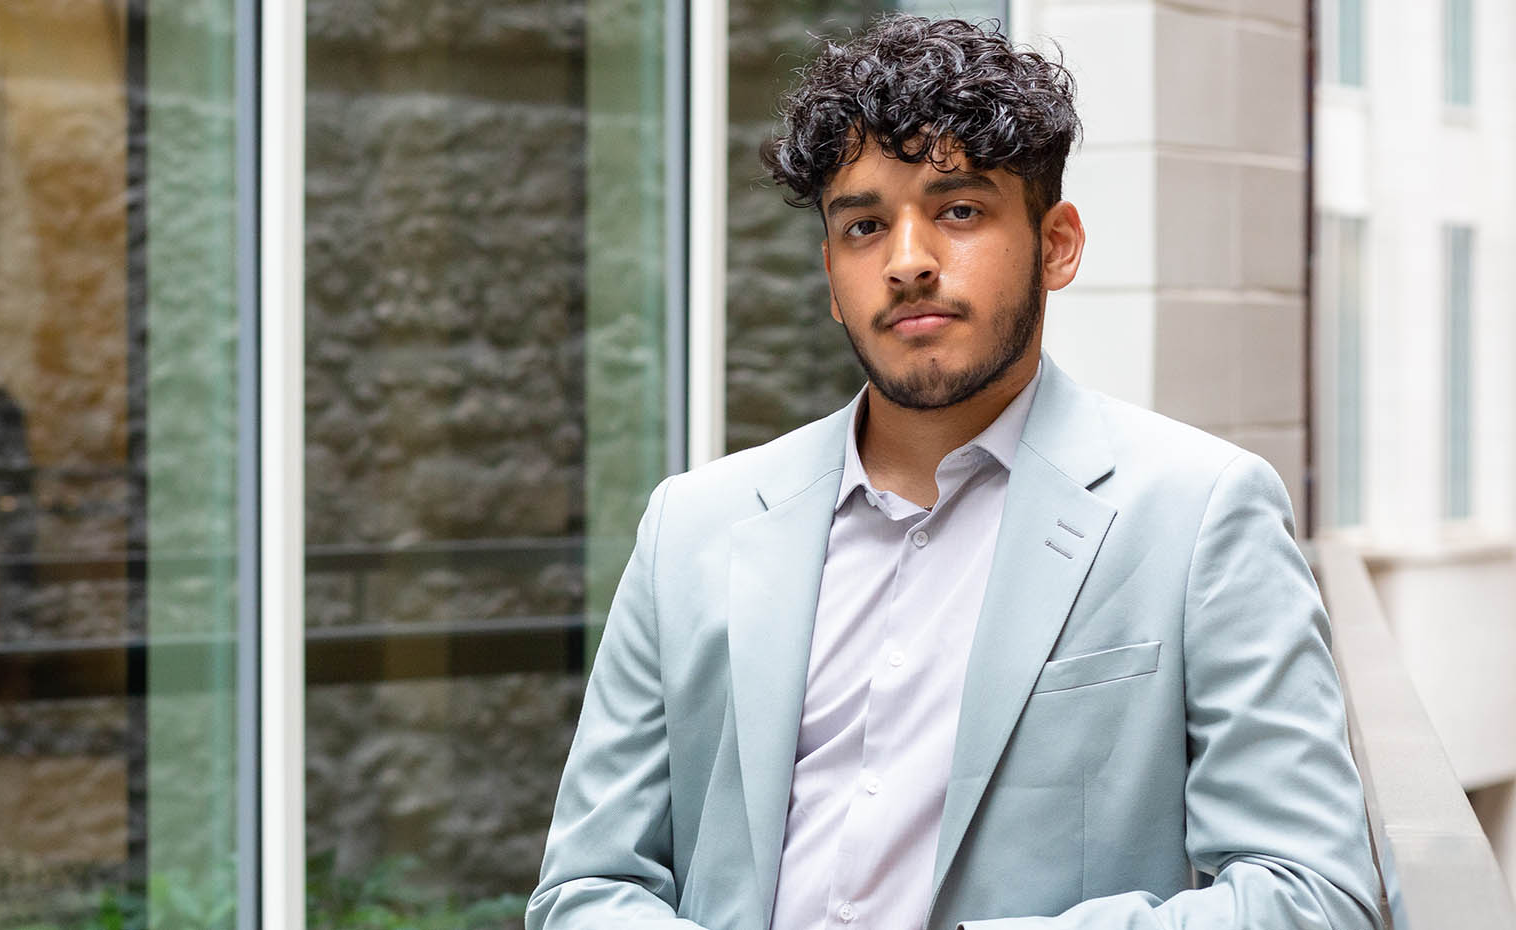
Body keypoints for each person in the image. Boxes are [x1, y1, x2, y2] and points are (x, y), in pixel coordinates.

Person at [527, 14, 1381, 930]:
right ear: (829, 275)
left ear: (1056, 244)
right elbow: (586, 887)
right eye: (863, 226)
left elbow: (1315, 896)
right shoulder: (692, 525)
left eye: (959, 210)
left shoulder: (1201, 511)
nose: (907, 263)